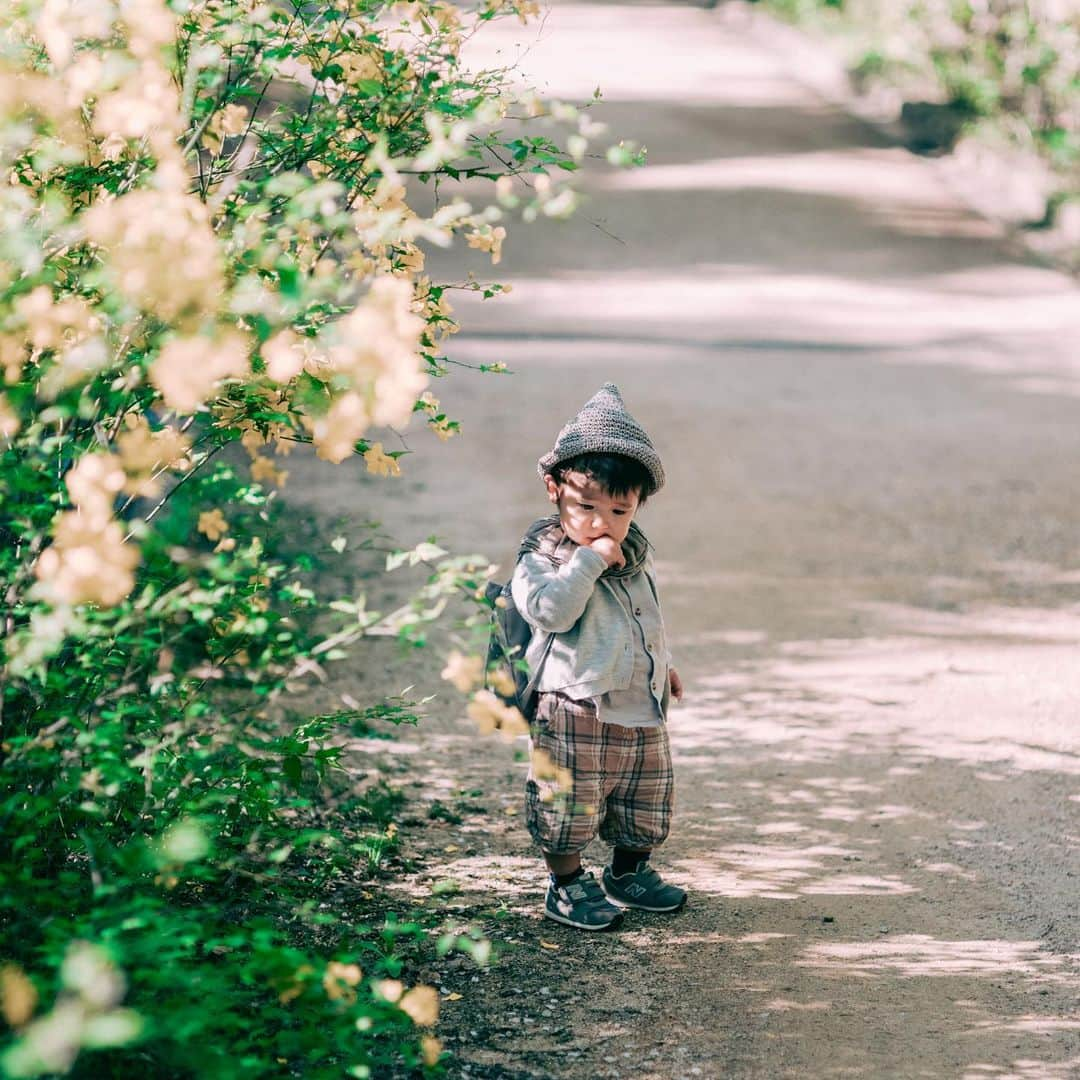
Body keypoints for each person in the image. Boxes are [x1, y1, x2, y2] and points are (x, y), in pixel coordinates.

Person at [510, 383, 686, 930]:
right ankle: (564, 884)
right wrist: (587, 562)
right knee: (569, 798)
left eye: (618, 509)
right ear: (553, 489)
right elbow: (551, 612)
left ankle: (629, 872)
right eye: (585, 506)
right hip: (574, 705)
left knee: (645, 794)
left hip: (639, 704)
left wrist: (665, 662)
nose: (600, 522)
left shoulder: (635, 557)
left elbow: (647, 615)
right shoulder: (541, 559)